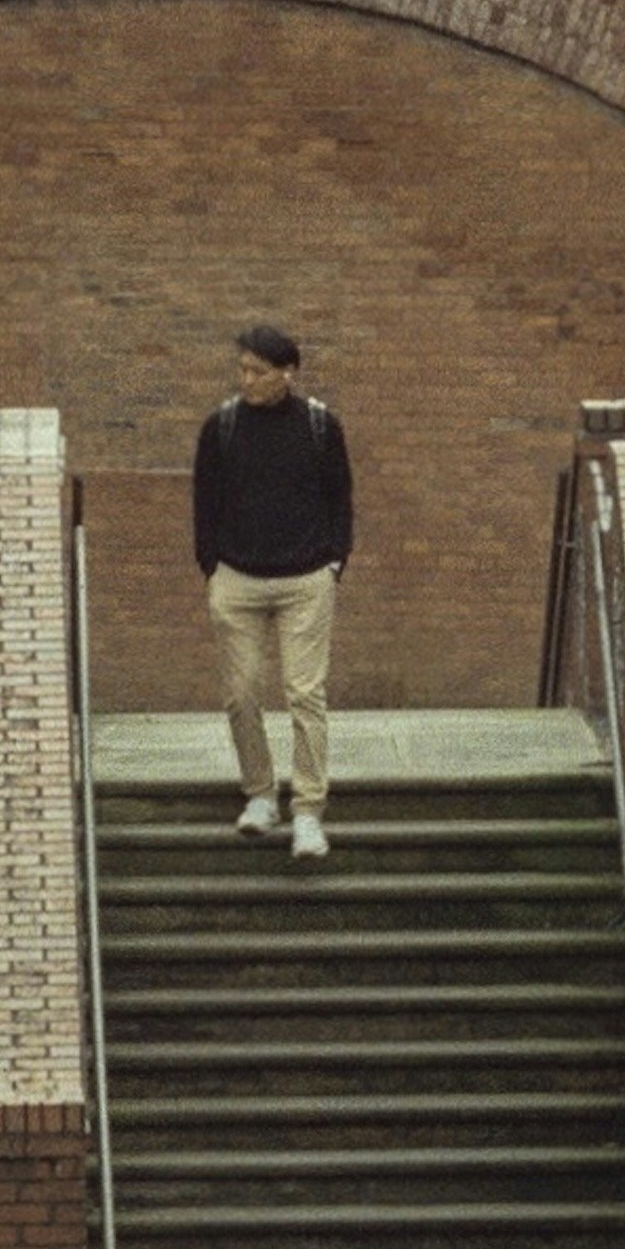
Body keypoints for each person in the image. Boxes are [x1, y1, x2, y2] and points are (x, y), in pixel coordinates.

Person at [192, 322, 353, 861]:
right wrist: (211, 567)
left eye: (257, 372)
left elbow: (340, 498)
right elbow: (204, 501)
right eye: (241, 369)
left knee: (305, 693)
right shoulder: (223, 427)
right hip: (237, 578)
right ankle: (260, 796)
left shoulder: (319, 427)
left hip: (306, 580)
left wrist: (334, 561)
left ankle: (308, 810)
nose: (247, 380)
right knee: (240, 693)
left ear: (288, 373)